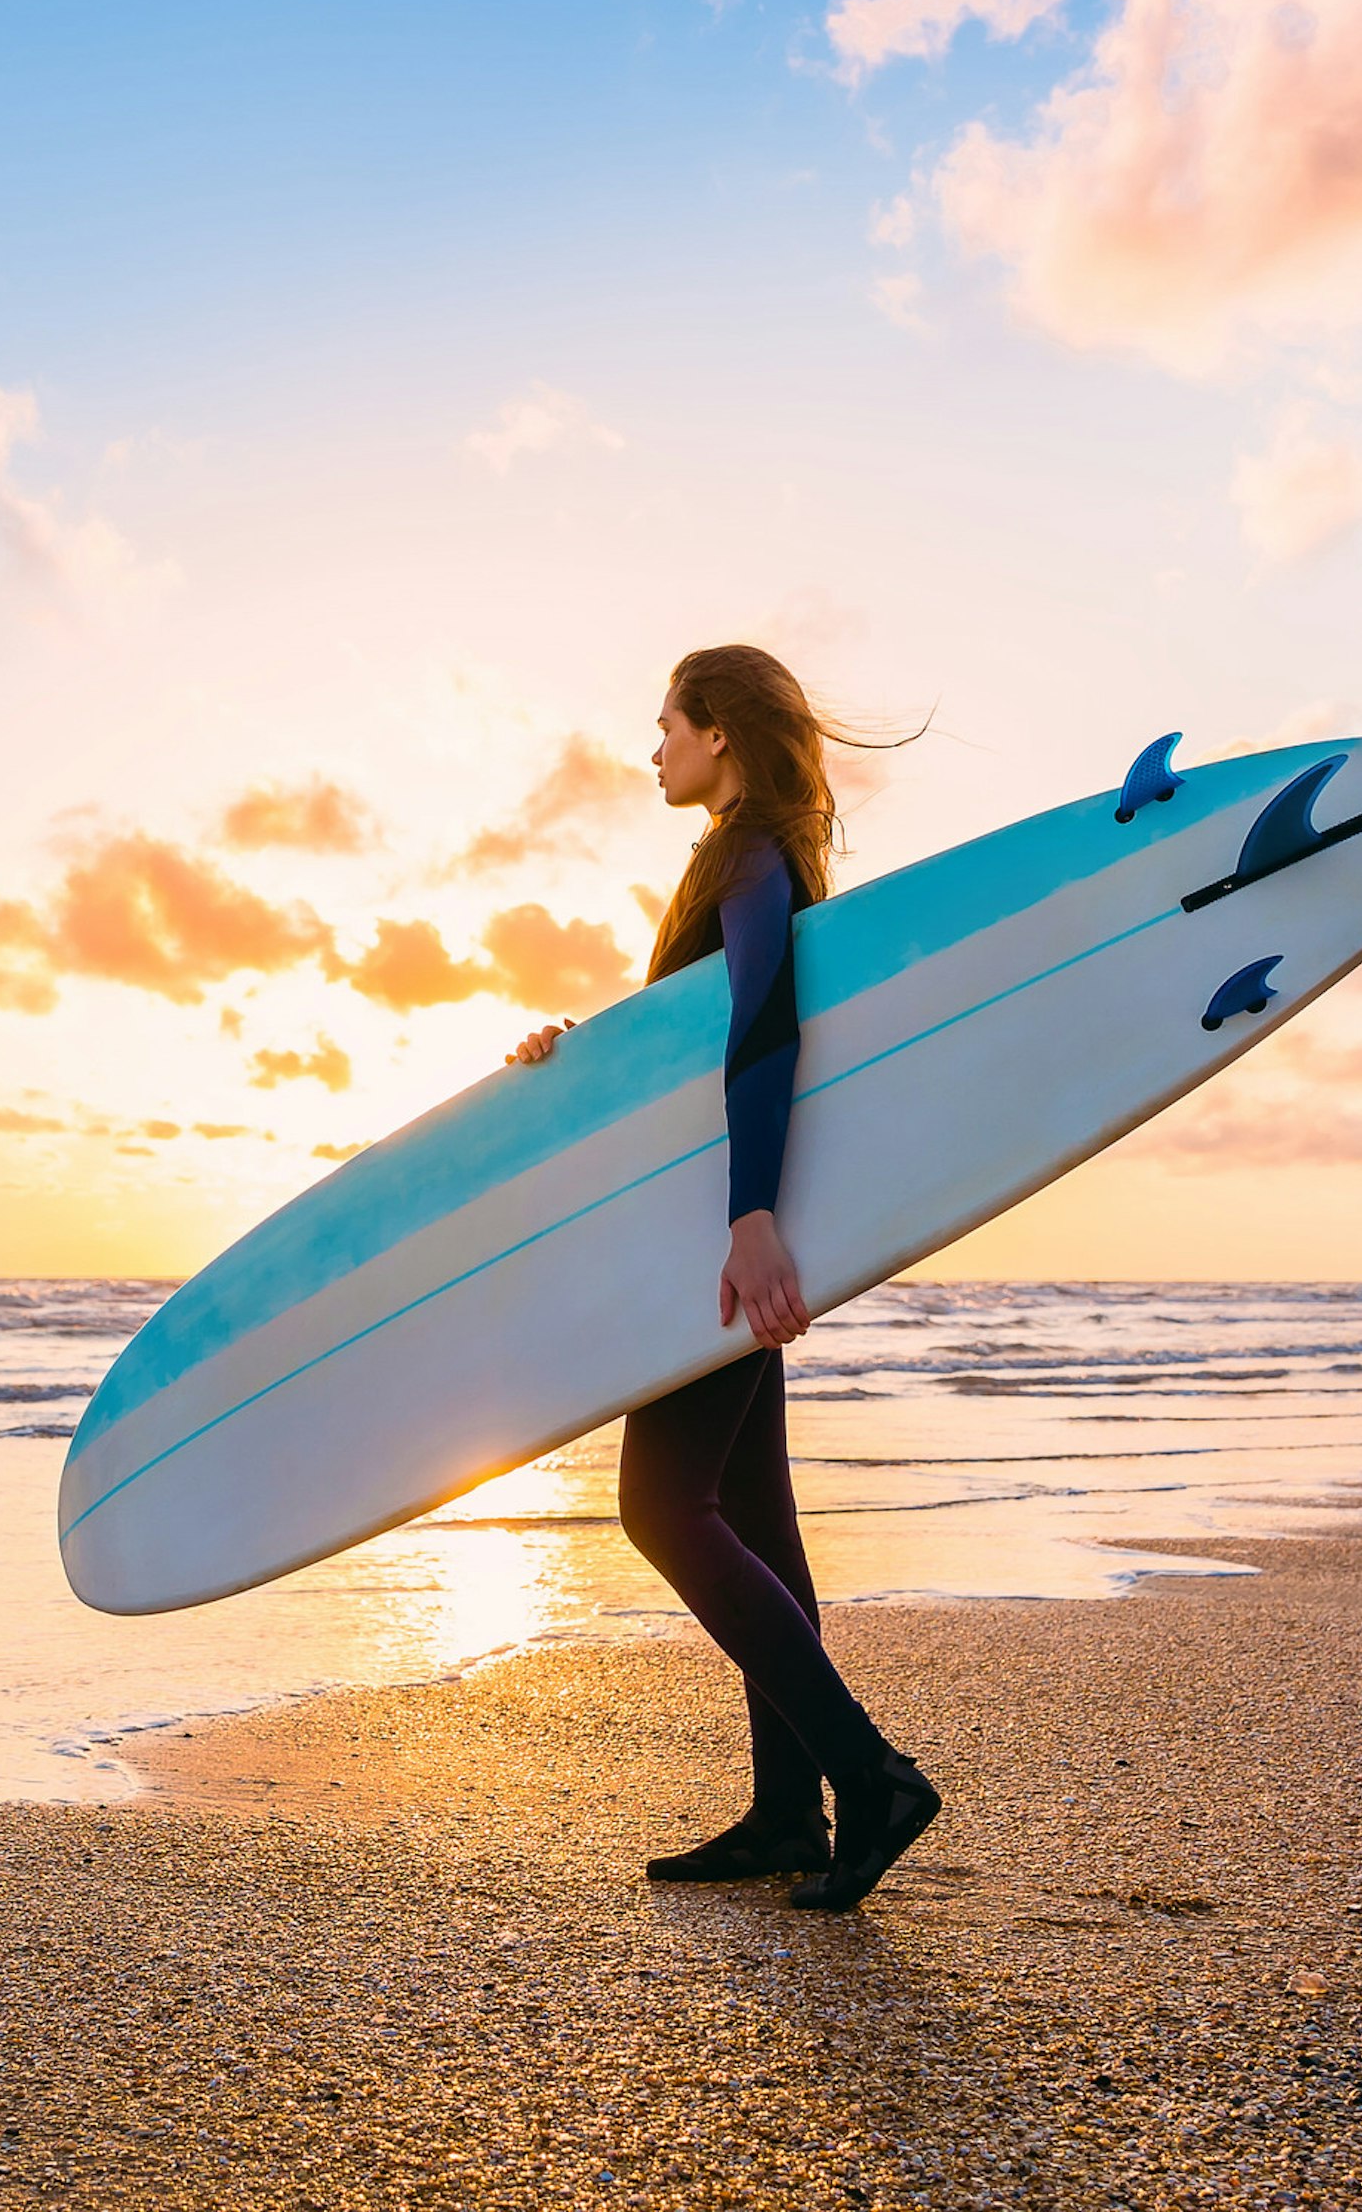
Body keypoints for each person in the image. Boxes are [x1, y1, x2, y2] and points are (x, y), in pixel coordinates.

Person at [506, 646, 939, 1912]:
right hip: (719, 1208)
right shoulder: (758, 854)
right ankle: (786, 1811)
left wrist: (751, 1214)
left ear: (720, 737)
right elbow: (697, 1040)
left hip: (719, 1224)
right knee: (751, 1519)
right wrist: (584, 1052)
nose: (653, 750)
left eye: (664, 727)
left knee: (660, 1505)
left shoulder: (745, 856)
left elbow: (765, 1020)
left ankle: (869, 1779)